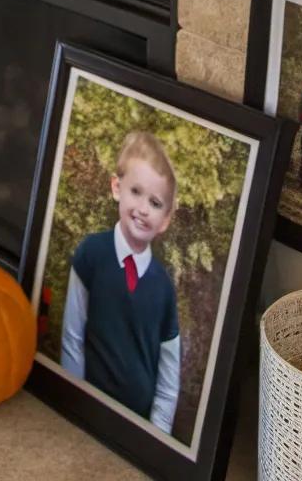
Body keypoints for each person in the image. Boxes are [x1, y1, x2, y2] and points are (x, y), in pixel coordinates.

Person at [60, 130, 180, 434]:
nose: (142, 208)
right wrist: (73, 405)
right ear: (117, 188)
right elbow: (72, 338)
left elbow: (169, 374)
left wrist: (157, 433)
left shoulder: (163, 287)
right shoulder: (91, 254)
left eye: (154, 202)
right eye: (135, 192)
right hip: (90, 407)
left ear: (165, 219)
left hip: (139, 423)